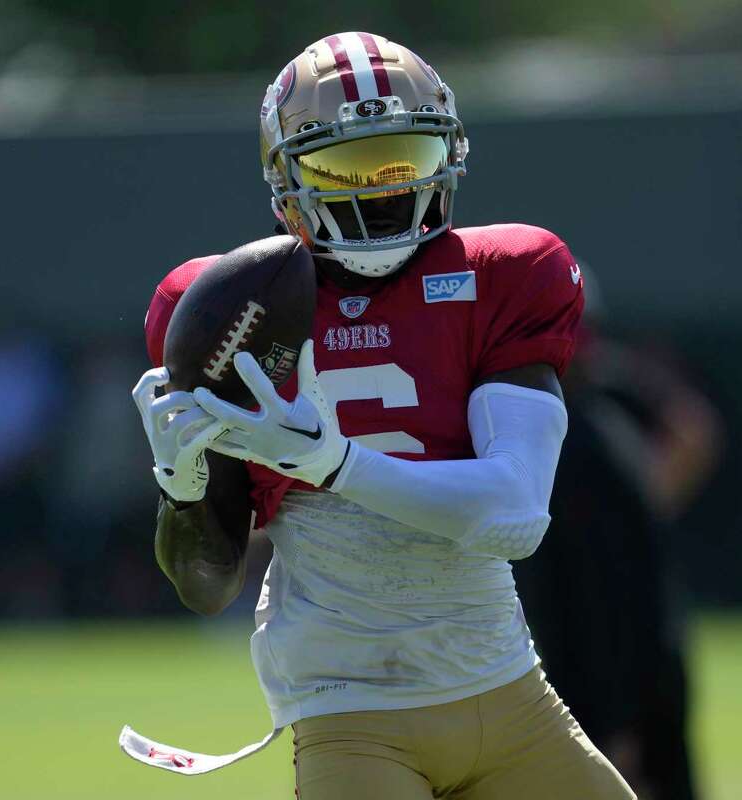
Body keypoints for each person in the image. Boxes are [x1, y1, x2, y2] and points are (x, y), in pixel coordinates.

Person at [125, 32, 636, 800]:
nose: (385, 189)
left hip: (511, 695)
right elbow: (207, 584)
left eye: (407, 157)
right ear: (286, 175)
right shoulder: (236, 308)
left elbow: (517, 516)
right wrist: (182, 485)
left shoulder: (501, 275)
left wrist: (335, 465)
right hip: (350, 713)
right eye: (350, 166)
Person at [515, 323, 723, 800]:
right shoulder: (601, 429)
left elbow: (606, 603)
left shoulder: (577, 449)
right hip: (643, 682)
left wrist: (615, 725)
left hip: (617, 698)